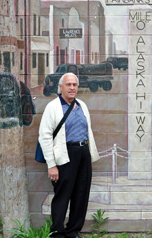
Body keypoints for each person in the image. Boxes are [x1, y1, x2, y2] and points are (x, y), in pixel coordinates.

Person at [39, 73, 100, 238]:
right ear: (60, 87)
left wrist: (88, 152)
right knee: (63, 194)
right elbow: (44, 136)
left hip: (83, 153)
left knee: (81, 193)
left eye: (74, 84)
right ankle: (57, 232)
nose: (72, 88)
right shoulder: (53, 107)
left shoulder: (82, 105)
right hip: (65, 154)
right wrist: (51, 165)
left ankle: (73, 230)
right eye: (68, 85)